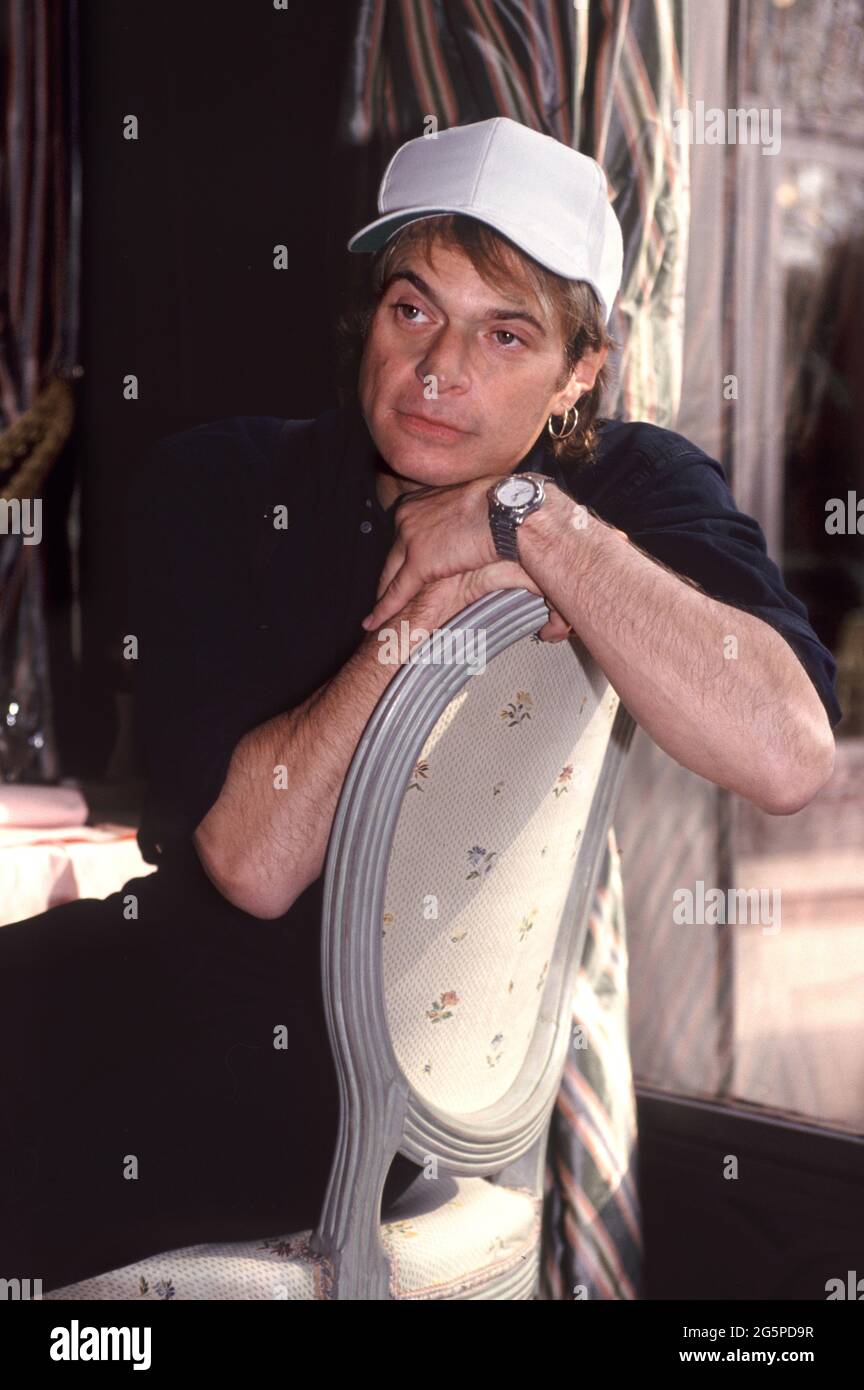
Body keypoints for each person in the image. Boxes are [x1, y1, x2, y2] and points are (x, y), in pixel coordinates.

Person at [0, 118, 841, 1297]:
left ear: (581, 372)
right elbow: (248, 857)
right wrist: (422, 619)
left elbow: (789, 751)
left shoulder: (623, 485)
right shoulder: (220, 478)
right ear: (371, 316)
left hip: (325, 1096)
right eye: (414, 310)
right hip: (152, 995)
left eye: (506, 334)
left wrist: (529, 524)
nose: (440, 369)